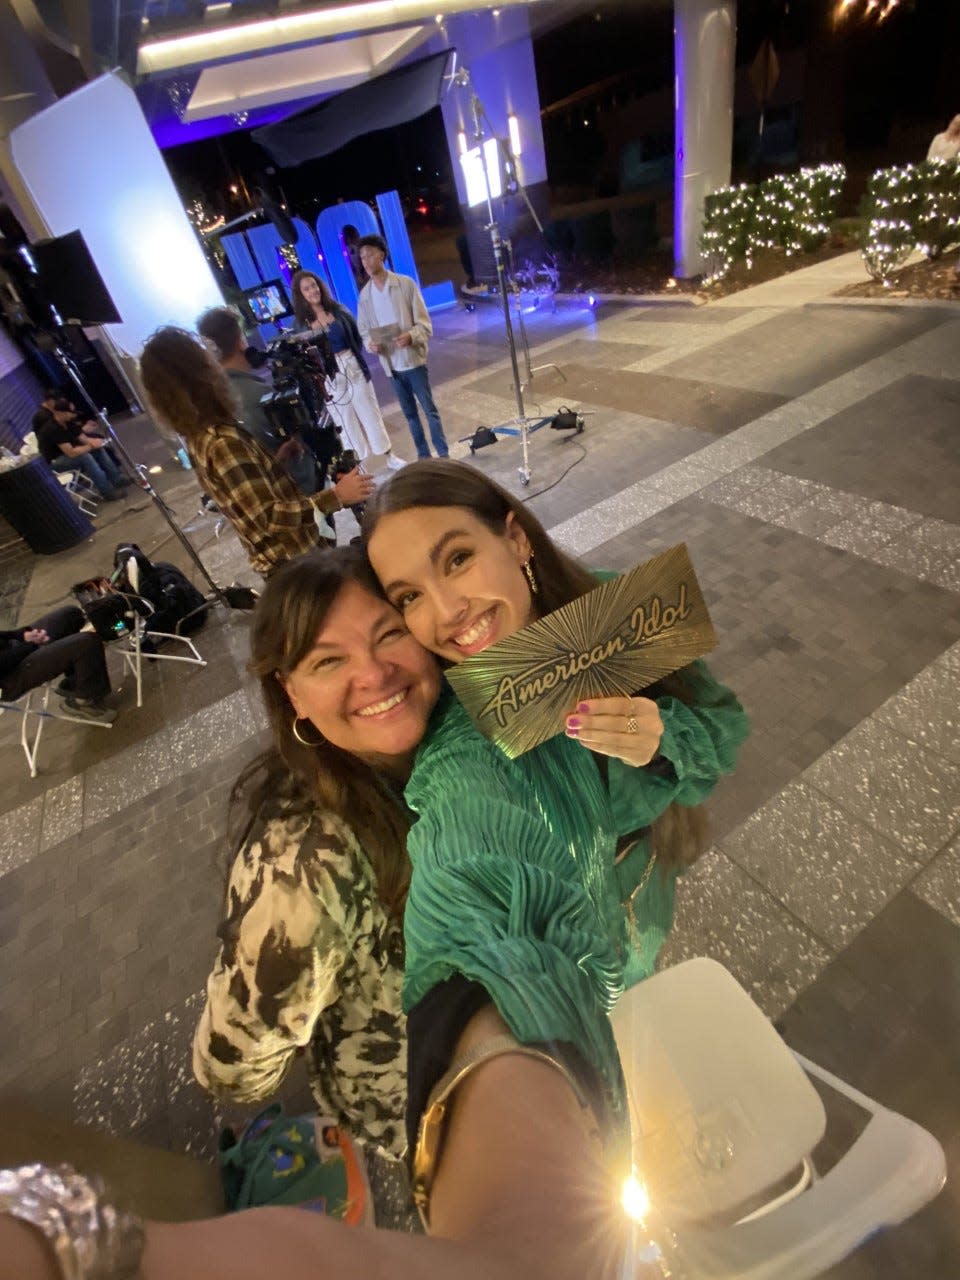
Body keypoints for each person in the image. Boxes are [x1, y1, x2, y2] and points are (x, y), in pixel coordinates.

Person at [193, 547, 439, 1228]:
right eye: (328, 661)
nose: (374, 672)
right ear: (291, 693)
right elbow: (231, 1067)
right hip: (434, 1107)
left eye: (389, 632)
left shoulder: (462, 741)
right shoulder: (302, 870)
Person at [138, 327, 374, 578]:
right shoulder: (221, 443)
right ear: (199, 376)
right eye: (207, 360)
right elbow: (268, 518)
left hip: (291, 561)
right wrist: (337, 496)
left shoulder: (203, 435)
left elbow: (243, 495)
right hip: (297, 566)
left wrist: (273, 462)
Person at [196, 306, 320, 496]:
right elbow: (298, 456)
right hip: (298, 497)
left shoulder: (210, 398)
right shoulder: (260, 395)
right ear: (240, 343)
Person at [289, 270, 403, 470]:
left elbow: (357, 337)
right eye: (306, 289)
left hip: (351, 365)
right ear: (301, 295)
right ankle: (359, 466)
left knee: (370, 412)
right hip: (327, 377)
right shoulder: (300, 325)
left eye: (314, 285)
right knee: (346, 423)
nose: (312, 291)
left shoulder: (338, 310)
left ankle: (389, 456)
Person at [355, 235, 449, 461]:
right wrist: (371, 345)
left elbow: (425, 324)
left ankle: (444, 454)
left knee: (429, 410)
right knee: (410, 415)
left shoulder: (405, 284)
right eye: (362, 257)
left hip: (413, 362)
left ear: (381, 255)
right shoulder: (365, 296)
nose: (365, 261)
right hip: (392, 368)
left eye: (369, 255)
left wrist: (411, 336)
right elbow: (364, 331)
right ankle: (424, 456)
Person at [0, 604, 117, 723]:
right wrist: (31, 644)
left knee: (71, 615)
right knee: (87, 643)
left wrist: (21, 635)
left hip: (11, 649)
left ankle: (77, 682)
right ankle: (83, 701)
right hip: (8, 680)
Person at [32, 392, 127, 501]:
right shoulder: (53, 428)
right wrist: (91, 446)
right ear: (61, 413)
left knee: (97, 449)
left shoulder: (68, 422)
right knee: (85, 458)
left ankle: (117, 479)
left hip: (65, 453)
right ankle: (108, 492)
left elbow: (83, 439)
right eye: (70, 413)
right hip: (53, 461)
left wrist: (98, 442)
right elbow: (71, 452)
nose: (74, 415)